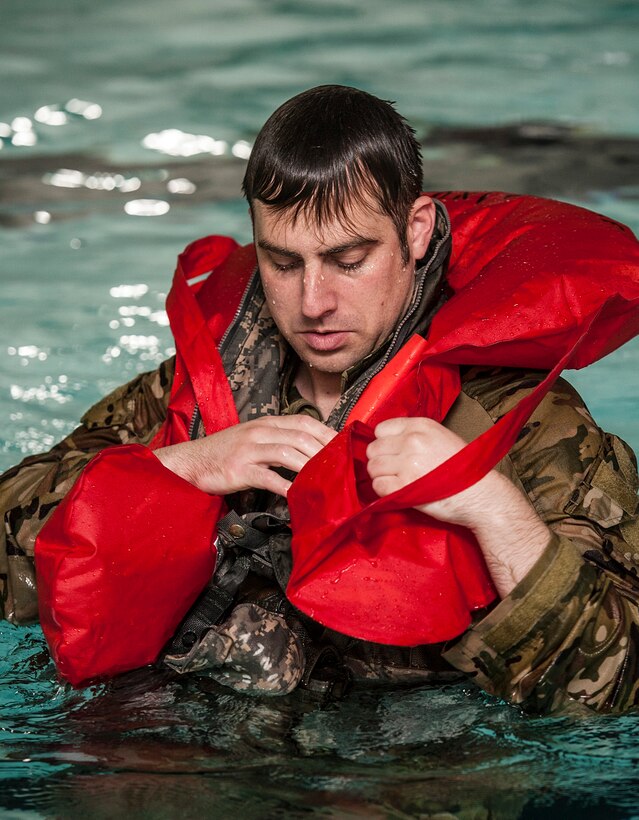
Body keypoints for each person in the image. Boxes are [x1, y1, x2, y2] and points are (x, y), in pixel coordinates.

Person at [2, 85, 639, 713]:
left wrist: (491, 507)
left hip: (408, 770)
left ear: (414, 232)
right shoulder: (192, 394)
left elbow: (618, 687)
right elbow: (12, 568)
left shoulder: (517, 422)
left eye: (349, 260)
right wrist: (178, 469)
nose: (313, 304)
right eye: (283, 264)